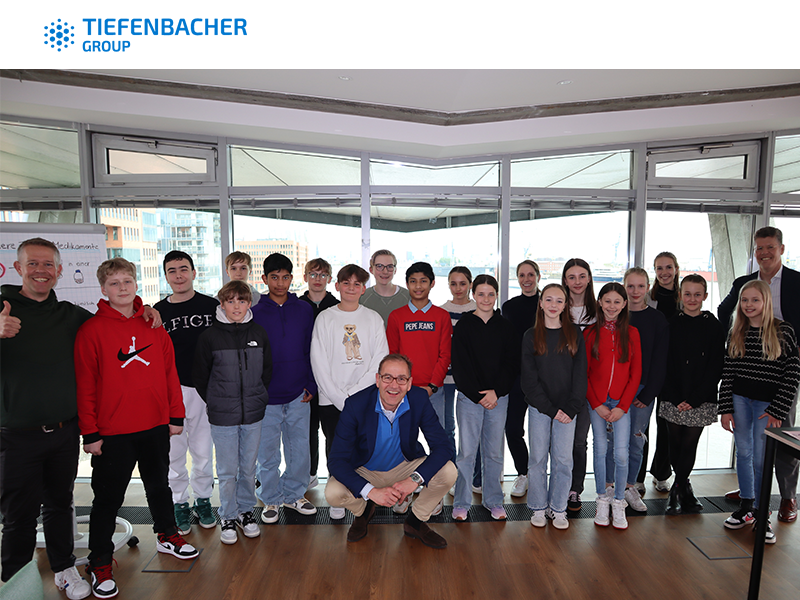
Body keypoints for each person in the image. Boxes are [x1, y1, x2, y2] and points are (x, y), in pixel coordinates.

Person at [0, 238, 159, 599]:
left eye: (47, 265)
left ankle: (64, 568)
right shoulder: (2, 307)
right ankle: (15, 585)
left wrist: (145, 310)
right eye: (32, 264)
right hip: (15, 433)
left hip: (62, 431)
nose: (40, 271)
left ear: (58, 271)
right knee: (18, 517)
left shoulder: (71, 315)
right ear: (17, 267)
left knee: (60, 504)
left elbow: (115, 322)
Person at [74, 258, 198, 599]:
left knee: (160, 487)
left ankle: (167, 535)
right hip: (113, 431)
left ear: (136, 285)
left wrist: (176, 415)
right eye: (114, 283)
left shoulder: (153, 325)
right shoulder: (91, 330)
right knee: (108, 499)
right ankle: (99, 561)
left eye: (127, 281)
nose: (122, 288)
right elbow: (84, 385)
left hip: (155, 424)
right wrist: (90, 433)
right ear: (103, 289)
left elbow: (170, 374)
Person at [325, 354, 457, 548]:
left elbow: (443, 446)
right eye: (387, 377)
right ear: (377, 380)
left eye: (401, 379)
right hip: (366, 469)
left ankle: (415, 522)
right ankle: (364, 511)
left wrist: (414, 480)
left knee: (448, 471)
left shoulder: (418, 399)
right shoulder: (356, 404)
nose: (394, 385)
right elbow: (336, 460)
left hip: (404, 465)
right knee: (333, 493)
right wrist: (370, 491)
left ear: (410, 383)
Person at [718, 226, 800, 523]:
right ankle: (750, 498)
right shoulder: (744, 286)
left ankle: (786, 496)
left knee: (780, 442)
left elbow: (792, 368)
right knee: (747, 449)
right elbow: (722, 312)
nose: (764, 253)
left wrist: (793, 348)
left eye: (770, 247)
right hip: (744, 388)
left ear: (781, 248)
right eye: (759, 248)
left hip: (778, 378)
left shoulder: (795, 282)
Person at [193, 281, 272, 545]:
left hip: (253, 414)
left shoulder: (259, 333)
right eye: (230, 301)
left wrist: (257, 397)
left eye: (241, 300)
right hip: (222, 416)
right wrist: (216, 401)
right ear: (222, 304)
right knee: (227, 470)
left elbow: (266, 372)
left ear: (249, 304)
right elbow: (201, 378)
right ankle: (227, 514)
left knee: (248, 468)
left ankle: (246, 512)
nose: (236, 306)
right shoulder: (209, 336)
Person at [310, 264, 388, 518]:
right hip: (330, 398)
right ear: (338, 286)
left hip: (365, 397)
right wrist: (340, 397)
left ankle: (363, 493)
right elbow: (318, 360)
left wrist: (354, 394)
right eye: (346, 283)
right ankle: (338, 496)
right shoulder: (325, 318)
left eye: (357, 284)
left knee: (364, 446)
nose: (351, 288)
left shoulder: (373, 318)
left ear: (364, 288)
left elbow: (380, 358)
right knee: (335, 445)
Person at [154, 250, 218, 535]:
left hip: (205, 389)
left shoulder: (212, 306)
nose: (178, 275)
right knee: (174, 454)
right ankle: (179, 502)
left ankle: (203, 500)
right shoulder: (157, 312)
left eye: (183, 269)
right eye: (172, 270)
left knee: (203, 452)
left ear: (194, 273)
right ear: (166, 275)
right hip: (171, 392)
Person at [252, 253, 318, 524]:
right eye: (274, 277)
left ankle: (293, 494)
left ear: (292, 278)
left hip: (298, 394)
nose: (280, 282)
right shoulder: (253, 311)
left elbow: (311, 350)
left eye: (285, 277)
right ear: (264, 279)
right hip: (266, 396)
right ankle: (270, 497)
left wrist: (311, 383)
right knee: (267, 452)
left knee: (299, 449)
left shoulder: (304, 309)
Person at [451, 275, 518, 521]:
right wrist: (478, 395)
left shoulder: (506, 327)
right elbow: (460, 365)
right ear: (473, 294)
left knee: (493, 453)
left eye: (491, 294)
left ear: (497, 295)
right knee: (467, 453)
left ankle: (493, 500)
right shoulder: (464, 325)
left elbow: (511, 365)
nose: (486, 299)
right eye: (481, 294)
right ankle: (461, 501)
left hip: (498, 399)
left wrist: (495, 392)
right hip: (470, 399)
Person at [522, 284, 587, 530]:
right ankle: (539, 506)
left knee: (563, 459)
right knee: (538, 458)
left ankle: (558, 507)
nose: (553, 305)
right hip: (540, 409)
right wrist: (550, 409)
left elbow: (580, 375)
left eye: (559, 301)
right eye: (548, 300)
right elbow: (528, 380)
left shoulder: (574, 334)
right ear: (540, 303)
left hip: (567, 410)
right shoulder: (530, 335)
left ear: (565, 305)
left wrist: (571, 408)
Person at [659, 274, 725, 515]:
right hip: (672, 396)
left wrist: (695, 398)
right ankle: (684, 487)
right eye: (687, 294)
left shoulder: (713, 325)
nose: (692, 298)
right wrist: (676, 397)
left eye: (698, 294)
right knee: (674, 445)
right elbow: (663, 363)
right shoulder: (670, 324)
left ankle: (677, 490)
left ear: (705, 296)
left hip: (701, 397)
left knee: (689, 445)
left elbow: (716, 365)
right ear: (680, 296)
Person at [605, 268, 668, 512]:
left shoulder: (657, 319)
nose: (635, 291)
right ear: (624, 287)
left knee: (635, 440)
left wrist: (648, 393)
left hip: (643, 392)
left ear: (647, 287)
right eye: (630, 286)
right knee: (612, 441)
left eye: (640, 286)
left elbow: (660, 360)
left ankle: (630, 486)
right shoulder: (615, 318)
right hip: (616, 391)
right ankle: (611, 487)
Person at [584, 282, 642, 530]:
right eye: (607, 301)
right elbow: (583, 373)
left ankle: (619, 501)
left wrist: (623, 406)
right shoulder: (589, 333)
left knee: (620, 452)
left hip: (621, 403)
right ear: (599, 302)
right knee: (600, 450)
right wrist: (596, 404)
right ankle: (602, 499)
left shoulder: (633, 333)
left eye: (617, 301)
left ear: (624, 304)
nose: (612, 306)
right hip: (596, 402)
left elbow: (636, 374)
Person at [386, 262, 452, 439]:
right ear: (407, 284)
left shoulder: (442, 316)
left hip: (434, 390)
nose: (418, 286)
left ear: (432, 283)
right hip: (403, 391)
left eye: (423, 281)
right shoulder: (396, 316)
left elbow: (445, 354)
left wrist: (432, 386)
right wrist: (401, 384)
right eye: (413, 281)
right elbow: (393, 355)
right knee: (403, 440)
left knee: (438, 440)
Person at [298, 257, 340, 491]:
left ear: (330, 279)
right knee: (307, 432)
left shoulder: (337, 306)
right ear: (304, 277)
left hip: (332, 380)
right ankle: (310, 473)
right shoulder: (297, 305)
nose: (317, 279)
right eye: (313, 274)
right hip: (305, 379)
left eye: (322, 275)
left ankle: (335, 476)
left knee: (333, 433)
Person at [500, 260, 541, 498]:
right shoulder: (509, 306)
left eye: (530, 274)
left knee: (540, 432)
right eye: (522, 275)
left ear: (537, 276)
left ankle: (540, 474)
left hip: (542, 379)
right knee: (513, 428)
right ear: (517, 278)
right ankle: (523, 473)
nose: (526, 279)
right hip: (516, 378)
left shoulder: (548, 302)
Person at [562, 258, 597, 512]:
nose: (577, 282)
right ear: (565, 280)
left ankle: (575, 489)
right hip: (559, 387)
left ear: (589, 278)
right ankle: (558, 487)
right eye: (571, 277)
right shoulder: (556, 307)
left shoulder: (598, 310)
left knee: (578, 442)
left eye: (581, 276)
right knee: (558, 443)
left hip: (588, 386)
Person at [645, 251, 681, 492]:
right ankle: (636, 478)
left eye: (668, 267)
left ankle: (661, 473)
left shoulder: (684, 297)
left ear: (676, 269)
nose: (664, 272)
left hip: (674, 371)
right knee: (641, 427)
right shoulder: (647, 298)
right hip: (649, 369)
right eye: (659, 268)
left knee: (665, 425)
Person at [439, 266, 476, 465]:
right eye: (453, 284)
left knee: (471, 429)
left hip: (470, 379)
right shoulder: (442, 311)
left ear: (470, 284)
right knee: (447, 428)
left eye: (462, 283)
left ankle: (475, 478)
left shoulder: (479, 309)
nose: (458, 288)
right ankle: (450, 471)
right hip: (446, 377)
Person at [359, 249, 410, 326]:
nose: (385, 271)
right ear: (371, 270)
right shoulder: (362, 298)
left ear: (395, 270)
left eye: (390, 266)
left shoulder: (408, 297)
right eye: (379, 266)